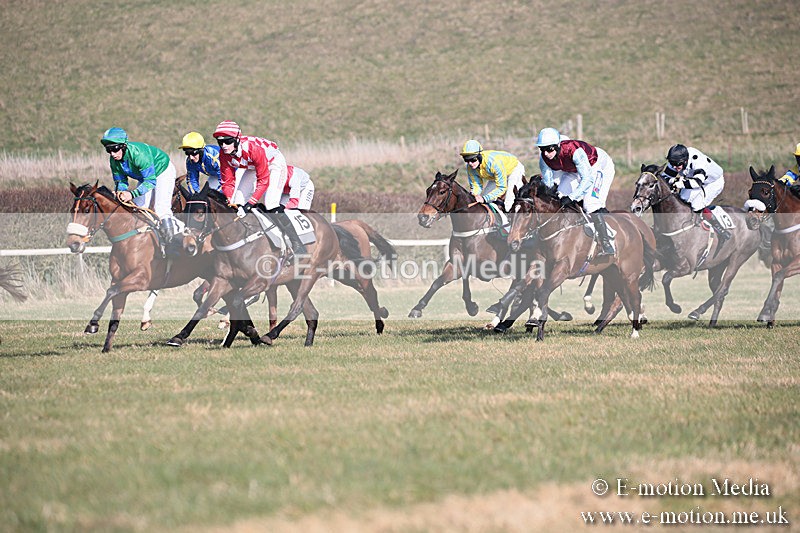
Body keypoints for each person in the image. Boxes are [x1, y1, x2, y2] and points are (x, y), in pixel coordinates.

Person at [212, 120, 306, 254]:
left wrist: (250, 204)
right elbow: (227, 181)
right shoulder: (223, 154)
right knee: (237, 201)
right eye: (220, 142)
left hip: (273, 163)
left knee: (270, 203)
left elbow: (263, 181)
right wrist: (229, 199)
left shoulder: (253, 149)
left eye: (227, 141)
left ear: (237, 139)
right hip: (251, 165)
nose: (224, 146)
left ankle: (296, 242)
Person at [535, 127, 616, 256]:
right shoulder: (544, 159)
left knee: (591, 203)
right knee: (559, 197)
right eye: (542, 149)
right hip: (573, 171)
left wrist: (572, 197)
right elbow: (549, 184)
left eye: (549, 149)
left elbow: (587, 179)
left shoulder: (574, 151)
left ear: (557, 146)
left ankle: (607, 242)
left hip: (597, 167)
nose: (546, 153)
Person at [100, 127, 179, 250]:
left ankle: (173, 246)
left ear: (124, 146)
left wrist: (131, 194)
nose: (112, 154)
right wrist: (121, 192)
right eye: (108, 150)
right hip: (145, 177)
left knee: (160, 208)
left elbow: (151, 181)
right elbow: (121, 181)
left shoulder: (138, 154)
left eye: (115, 149)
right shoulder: (114, 160)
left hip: (163, 171)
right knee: (139, 209)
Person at [661, 144, 730, 250]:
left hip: (712, 182)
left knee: (696, 206)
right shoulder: (676, 161)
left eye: (678, 164)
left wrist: (678, 183)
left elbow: (697, 183)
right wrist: (672, 181)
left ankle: (720, 229)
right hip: (692, 180)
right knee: (681, 203)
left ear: (685, 160)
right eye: (672, 164)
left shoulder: (697, 160)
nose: (675, 167)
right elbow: (664, 178)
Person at [460, 140, 525, 212]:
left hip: (514, 170)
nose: (470, 163)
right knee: (484, 201)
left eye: (473, 160)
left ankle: (509, 222)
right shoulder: (470, 167)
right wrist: (474, 196)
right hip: (495, 176)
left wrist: (484, 198)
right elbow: (476, 185)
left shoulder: (493, 163)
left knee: (509, 203)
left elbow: (501, 187)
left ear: (480, 156)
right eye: (466, 160)